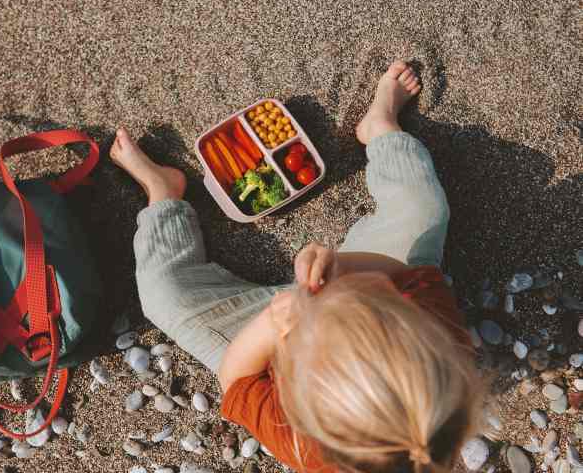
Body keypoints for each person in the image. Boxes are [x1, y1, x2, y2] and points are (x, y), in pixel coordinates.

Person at [110, 61, 482, 472]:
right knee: (422, 211)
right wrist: (339, 267)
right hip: (357, 280)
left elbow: (236, 378)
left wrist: (274, 324)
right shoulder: (439, 341)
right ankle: (380, 128)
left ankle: (163, 193)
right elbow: (398, 275)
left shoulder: (308, 448)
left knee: (163, 294)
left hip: (261, 344)